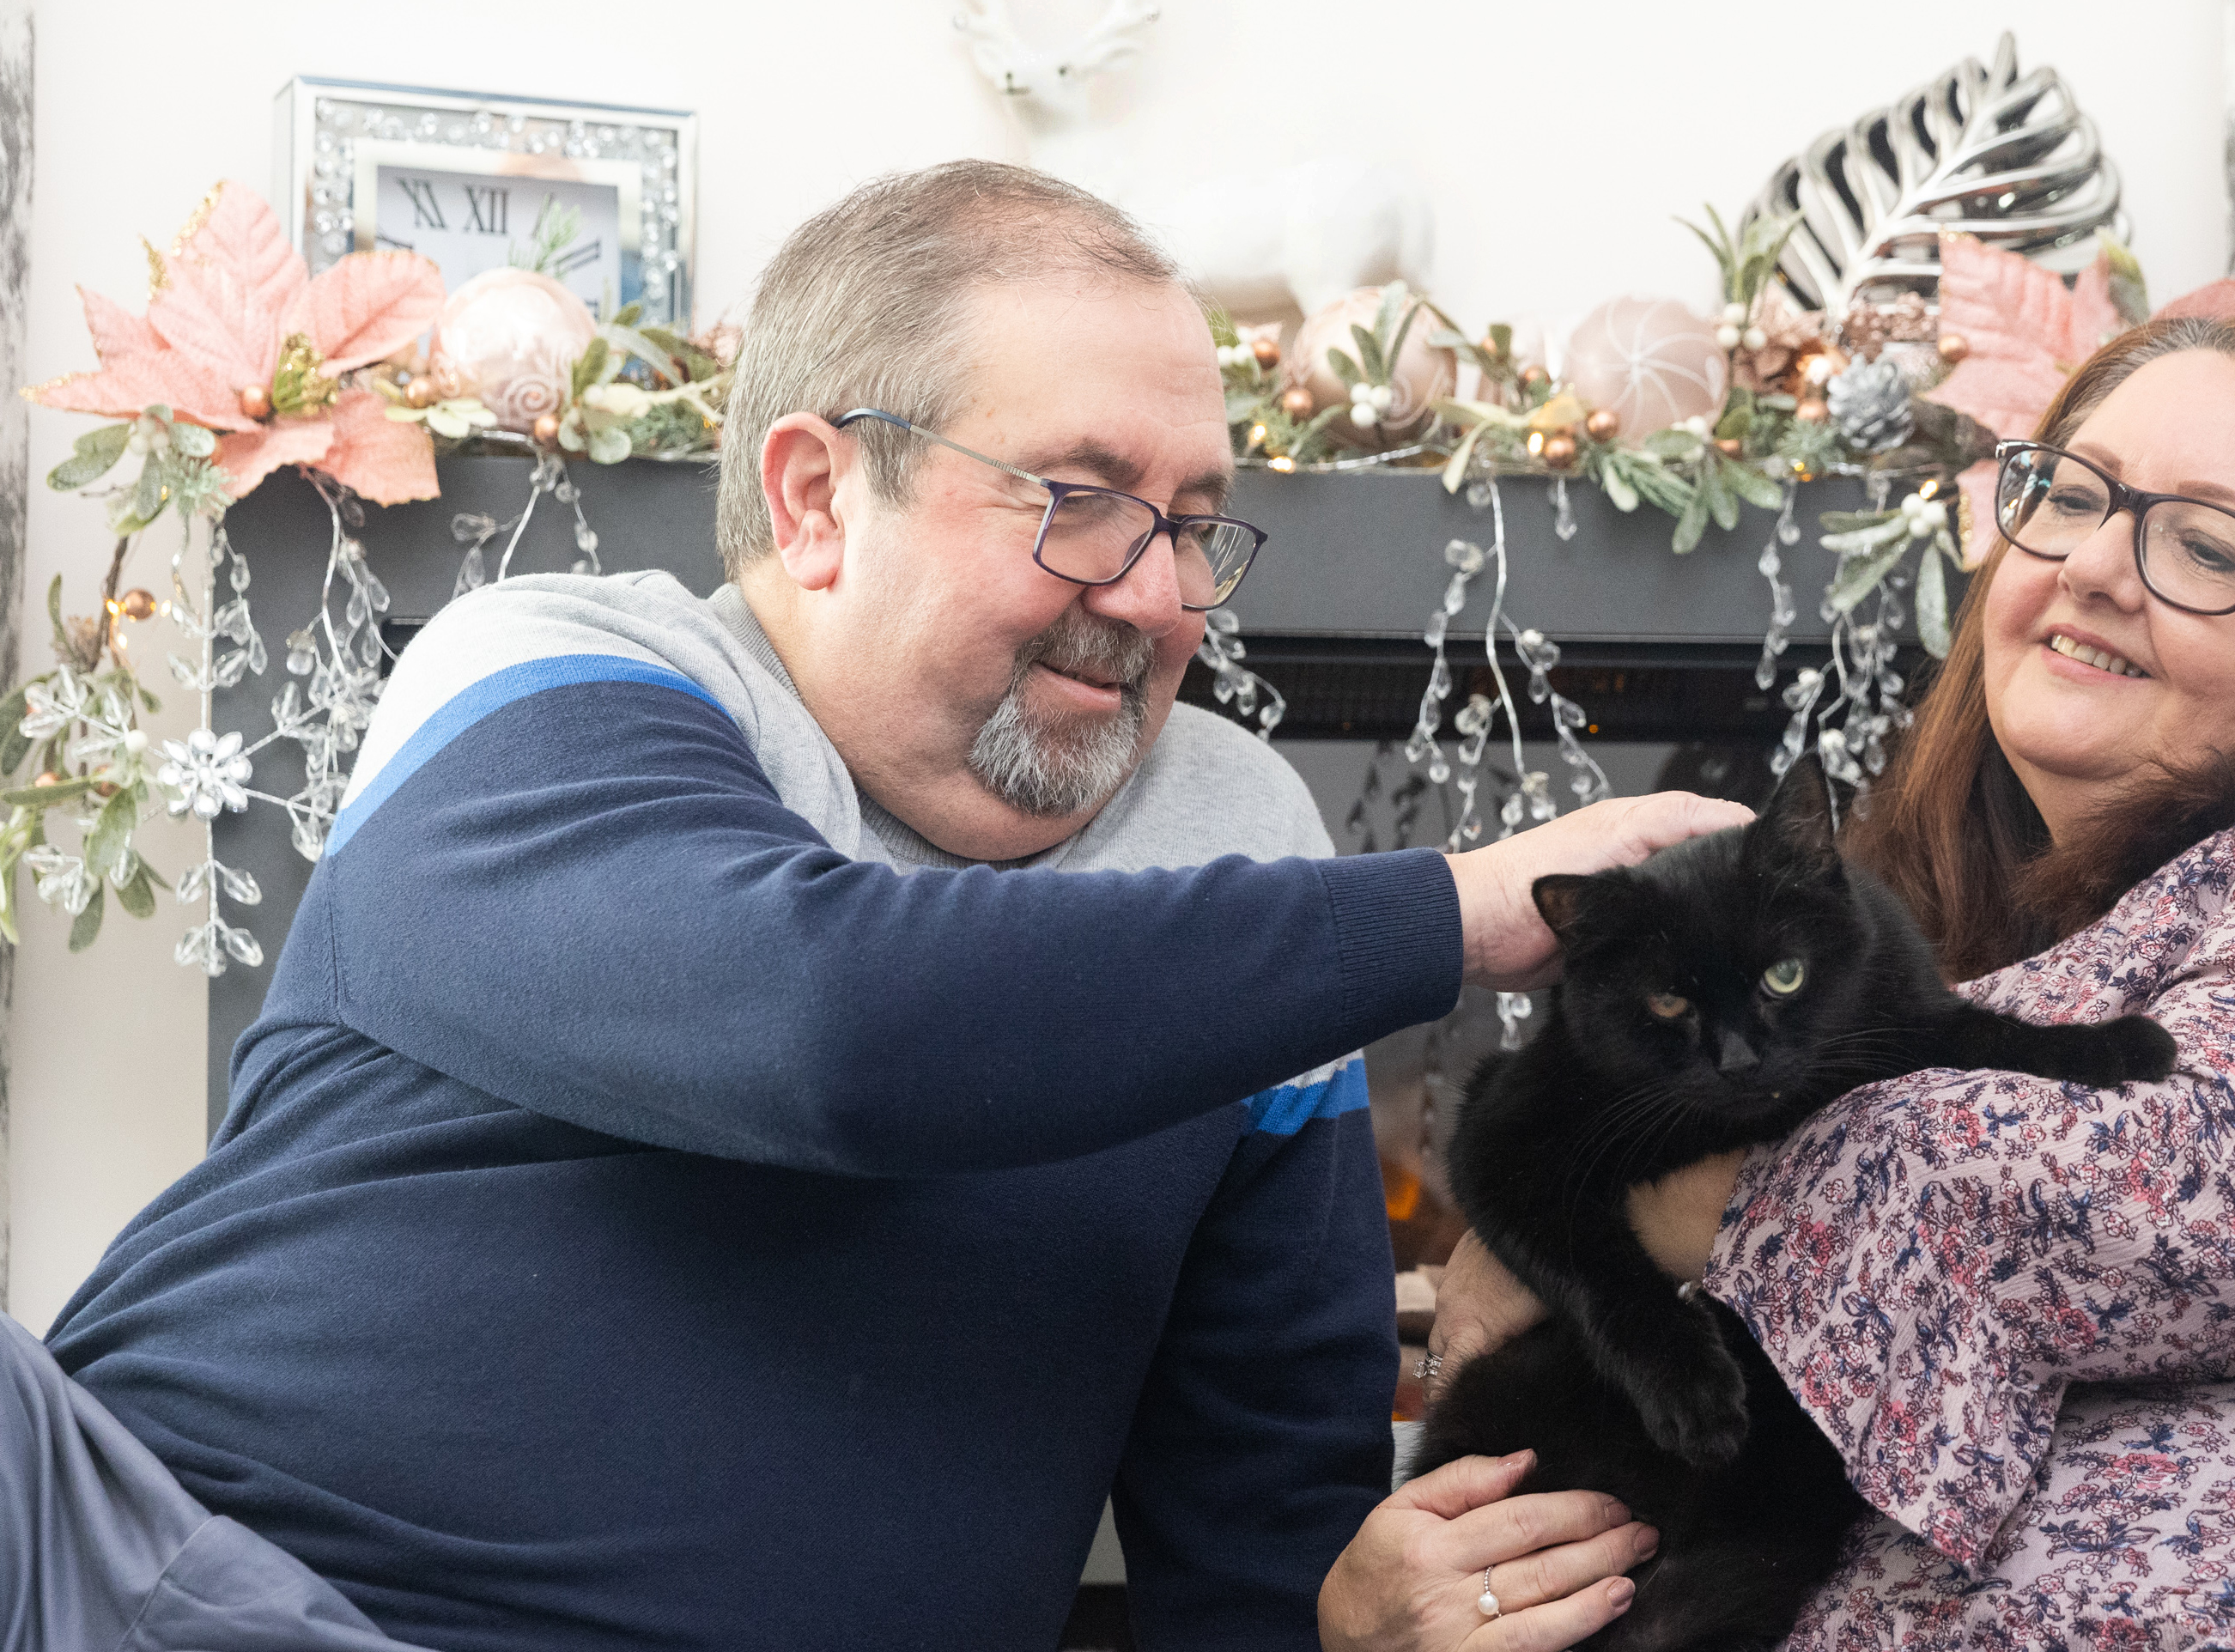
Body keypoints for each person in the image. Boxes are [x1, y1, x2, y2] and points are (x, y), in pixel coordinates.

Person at [15, 161, 1749, 1651]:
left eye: (1195, 526)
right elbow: (825, 1028)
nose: (1153, 598)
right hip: (149, 1572)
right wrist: (1461, 905)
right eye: (1078, 505)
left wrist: (1365, 1606)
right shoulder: (566, 672)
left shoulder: (1240, 833)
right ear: (814, 495)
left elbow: (1254, 1511)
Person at [1325, 315, 2235, 1649]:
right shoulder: (1903, 958)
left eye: (2202, 543)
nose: (2090, 565)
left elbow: (2212, 1189)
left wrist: (1615, 1218)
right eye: (2068, 498)